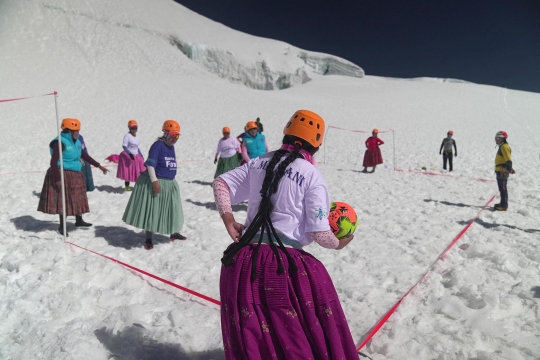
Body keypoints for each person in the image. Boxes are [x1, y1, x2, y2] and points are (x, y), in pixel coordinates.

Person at [212, 110, 357, 359]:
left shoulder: (258, 162)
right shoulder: (312, 176)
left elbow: (220, 184)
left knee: (253, 330)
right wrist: (339, 244)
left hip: (243, 260)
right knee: (298, 328)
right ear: (316, 145)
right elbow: (320, 233)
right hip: (281, 265)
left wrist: (229, 219)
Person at [38, 118, 109, 236]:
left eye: (78, 131)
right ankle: (62, 226)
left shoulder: (76, 142)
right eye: (76, 131)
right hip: (62, 173)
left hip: (75, 174)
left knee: (78, 198)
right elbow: (53, 161)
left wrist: (99, 166)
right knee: (63, 200)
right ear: (68, 131)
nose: (78, 133)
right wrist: (57, 179)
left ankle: (79, 220)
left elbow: (84, 155)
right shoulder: (60, 142)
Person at [122, 120, 187, 249]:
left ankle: (173, 233)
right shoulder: (158, 145)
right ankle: (148, 238)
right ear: (166, 133)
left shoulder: (171, 147)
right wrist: (155, 182)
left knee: (171, 210)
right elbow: (151, 165)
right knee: (152, 211)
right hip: (158, 181)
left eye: (177, 136)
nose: (175, 139)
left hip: (170, 183)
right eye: (173, 135)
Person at [116, 120, 146, 191]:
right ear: (129, 128)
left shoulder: (137, 137)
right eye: (132, 128)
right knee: (128, 171)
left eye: (135, 128)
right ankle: (127, 186)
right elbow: (124, 146)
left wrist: (141, 155)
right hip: (128, 156)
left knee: (138, 171)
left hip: (136, 156)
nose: (134, 130)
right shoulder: (127, 136)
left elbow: (137, 147)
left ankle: (138, 185)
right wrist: (129, 154)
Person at [494, 131, 514, 211]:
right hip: (501, 170)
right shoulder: (502, 146)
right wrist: (510, 169)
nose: (496, 140)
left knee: (503, 188)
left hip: (502, 171)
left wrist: (509, 169)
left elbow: (508, 160)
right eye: (496, 138)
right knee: (502, 188)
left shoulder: (504, 147)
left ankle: (504, 205)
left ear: (503, 139)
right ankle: (502, 203)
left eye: (498, 138)